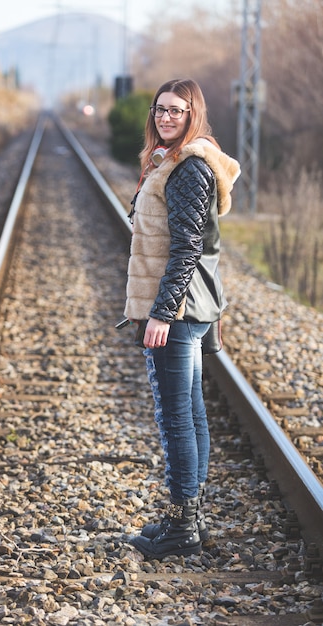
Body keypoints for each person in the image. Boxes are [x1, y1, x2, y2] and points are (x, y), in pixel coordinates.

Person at [124, 78, 240, 559]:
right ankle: (186, 517)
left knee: (176, 418)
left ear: (194, 114)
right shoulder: (174, 161)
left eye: (177, 110)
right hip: (185, 309)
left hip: (179, 310)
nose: (166, 117)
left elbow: (188, 247)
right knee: (188, 414)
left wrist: (162, 313)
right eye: (160, 110)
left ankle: (184, 527)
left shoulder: (190, 167)